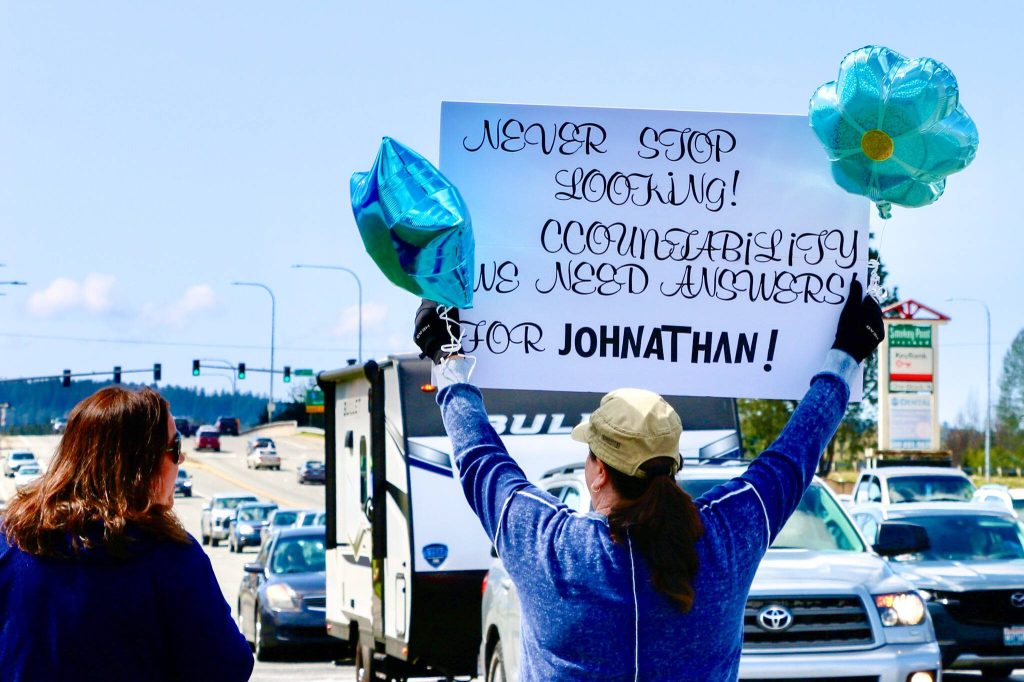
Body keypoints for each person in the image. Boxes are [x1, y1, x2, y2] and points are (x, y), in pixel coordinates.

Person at [414, 280, 883, 682]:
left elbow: (479, 455)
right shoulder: (726, 539)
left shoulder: (550, 548)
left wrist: (446, 356)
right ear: (672, 465)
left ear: (596, 471)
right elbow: (795, 452)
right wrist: (847, 353)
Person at [0, 386, 254, 682]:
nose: (180, 460)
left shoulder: (10, 543)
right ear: (140, 462)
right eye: (175, 446)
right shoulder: (172, 560)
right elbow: (227, 668)